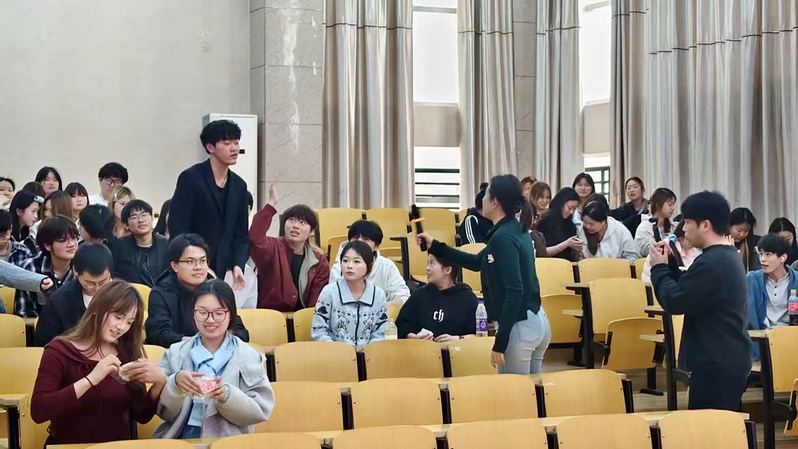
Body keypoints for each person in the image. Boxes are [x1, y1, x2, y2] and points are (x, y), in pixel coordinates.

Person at [418, 174, 551, 374]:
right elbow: (476, 261)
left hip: (519, 325)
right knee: (531, 390)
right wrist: (435, 246)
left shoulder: (504, 237)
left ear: (495, 202)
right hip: (536, 320)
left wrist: (500, 341)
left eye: (487, 194)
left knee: (516, 390)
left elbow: (514, 291)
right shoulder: (513, 229)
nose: (483, 198)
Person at [649, 190, 751, 410]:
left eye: (687, 222)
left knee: (709, 428)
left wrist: (658, 268)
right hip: (725, 361)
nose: (683, 229)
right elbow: (689, 290)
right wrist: (670, 264)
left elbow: (675, 300)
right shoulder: (723, 256)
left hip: (717, 365)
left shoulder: (713, 262)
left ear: (705, 225)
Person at [30, 280, 164, 445]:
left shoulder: (126, 352)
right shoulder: (59, 350)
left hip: (116, 446)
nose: (122, 327)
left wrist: (159, 383)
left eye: (129, 322)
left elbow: (141, 416)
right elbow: (39, 411)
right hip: (69, 446)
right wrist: (91, 379)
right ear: (98, 308)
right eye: (118, 317)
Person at [153, 280, 273, 438]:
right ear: (193, 313)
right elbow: (163, 412)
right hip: (180, 440)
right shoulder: (176, 353)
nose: (210, 320)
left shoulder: (248, 356)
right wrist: (175, 384)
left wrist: (226, 396)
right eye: (202, 312)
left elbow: (259, 411)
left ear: (231, 315)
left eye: (219, 313)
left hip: (229, 442)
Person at [168, 120, 249, 290]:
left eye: (236, 143)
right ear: (210, 147)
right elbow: (179, 227)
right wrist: (197, 263)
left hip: (220, 269)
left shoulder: (239, 186)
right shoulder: (190, 178)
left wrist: (237, 264)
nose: (234, 148)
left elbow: (241, 234)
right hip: (189, 268)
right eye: (227, 143)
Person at [145, 234, 249, 348]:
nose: (198, 267)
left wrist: (216, 339)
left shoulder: (216, 290)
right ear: (175, 266)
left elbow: (240, 331)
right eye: (190, 262)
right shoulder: (161, 293)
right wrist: (197, 342)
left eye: (203, 261)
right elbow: (159, 334)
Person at [249, 183, 329, 311]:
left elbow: (316, 301)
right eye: (291, 220)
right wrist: (271, 203)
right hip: (271, 315)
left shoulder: (318, 260)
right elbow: (255, 237)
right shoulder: (273, 247)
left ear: (312, 231)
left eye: (302, 222)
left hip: (303, 317)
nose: (295, 226)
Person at [35, 243, 114, 347]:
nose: (97, 288)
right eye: (89, 283)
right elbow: (45, 344)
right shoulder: (59, 302)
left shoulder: (122, 296)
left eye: (103, 282)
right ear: (75, 271)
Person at [311, 241, 388, 345]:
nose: (349, 266)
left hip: (369, 353)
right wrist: (342, 351)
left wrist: (368, 350)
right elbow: (318, 331)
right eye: (345, 260)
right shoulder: (329, 292)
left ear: (369, 266)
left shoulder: (378, 295)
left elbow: (380, 333)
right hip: (334, 353)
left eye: (356, 261)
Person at [396, 253, 478, 341]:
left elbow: (479, 334)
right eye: (427, 263)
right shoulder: (420, 295)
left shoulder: (468, 298)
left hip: (458, 349)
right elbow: (402, 326)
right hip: (423, 348)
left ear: (448, 270)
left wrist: (457, 339)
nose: (427, 268)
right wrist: (415, 338)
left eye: (432, 263)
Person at [329, 220, 410, 306]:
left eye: (365, 239)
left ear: (376, 246)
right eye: (355, 238)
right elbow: (333, 298)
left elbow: (403, 296)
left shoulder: (387, 266)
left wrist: (379, 308)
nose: (359, 242)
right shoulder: (339, 267)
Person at [747, 234, 798, 360]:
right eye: (761, 254)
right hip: (761, 340)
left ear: (783, 257)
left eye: (768, 254)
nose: (762, 259)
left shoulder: (796, 280)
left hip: (790, 340)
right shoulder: (752, 280)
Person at [15, 216, 79, 317]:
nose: (71, 244)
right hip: (40, 325)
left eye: (74, 238)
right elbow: (24, 313)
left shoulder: (83, 266)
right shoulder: (30, 268)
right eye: (62, 240)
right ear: (47, 245)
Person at [113, 200, 169, 287]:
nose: (141, 220)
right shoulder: (120, 247)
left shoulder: (166, 244)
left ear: (151, 218)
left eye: (144, 215)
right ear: (126, 225)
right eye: (134, 217)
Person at [536, 187, 583, 261]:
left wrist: (576, 250)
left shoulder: (570, 226)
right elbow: (540, 251)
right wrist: (566, 244)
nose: (571, 212)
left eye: (574, 209)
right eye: (569, 208)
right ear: (561, 203)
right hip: (547, 264)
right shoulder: (544, 221)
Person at [634, 188, 677, 257]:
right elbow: (646, 250)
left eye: (673, 205)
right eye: (670, 205)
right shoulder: (644, 228)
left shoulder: (674, 226)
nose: (673, 208)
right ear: (658, 205)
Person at [730, 207, 760, 272]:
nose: (742, 234)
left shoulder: (750, 247)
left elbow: (757, 271)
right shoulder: (720, 244)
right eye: (739, 230)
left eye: (746, 231)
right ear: (729, 226)